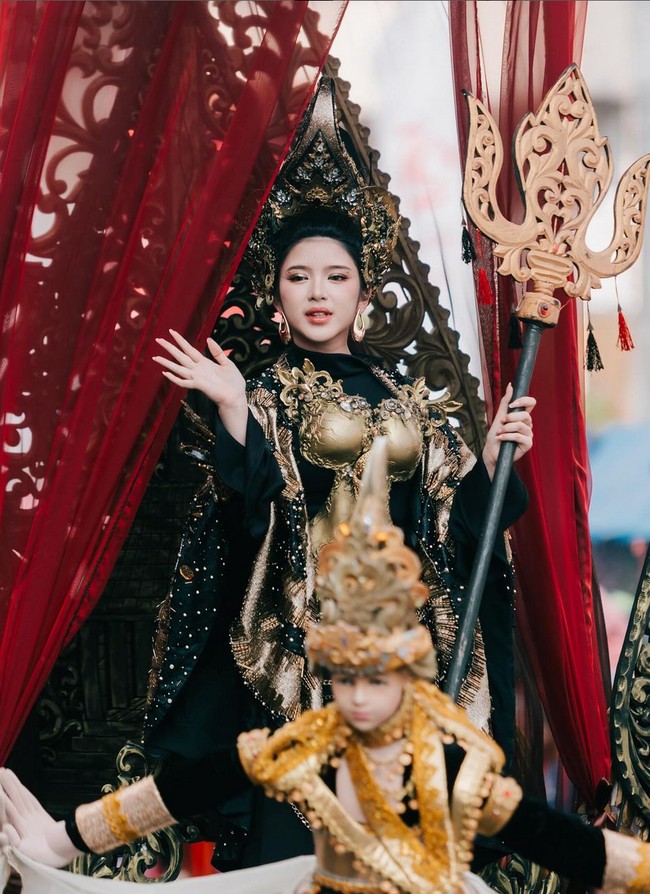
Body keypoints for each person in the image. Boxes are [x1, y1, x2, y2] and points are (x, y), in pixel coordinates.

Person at [142, 76, 535, 868]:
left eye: (335, 277)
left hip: (409, 648)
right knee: (308, 845)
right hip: (309, 647)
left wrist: (490, 461)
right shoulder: (266, 394)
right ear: (276, 299)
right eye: (299, 278)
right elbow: (254, 523)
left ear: (363, 292)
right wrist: (232, 413)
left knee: (414, 845)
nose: (318, 293)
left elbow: (456, 528)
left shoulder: (411, 401)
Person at [0, 439, 646, 894]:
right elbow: (179, 792)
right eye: (342, 680)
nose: (358, 699)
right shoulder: (299, 748)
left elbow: (554, 840)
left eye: (375, 681)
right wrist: (62, 841)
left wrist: (637, 870)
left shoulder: (448, 766)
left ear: (409, 675)